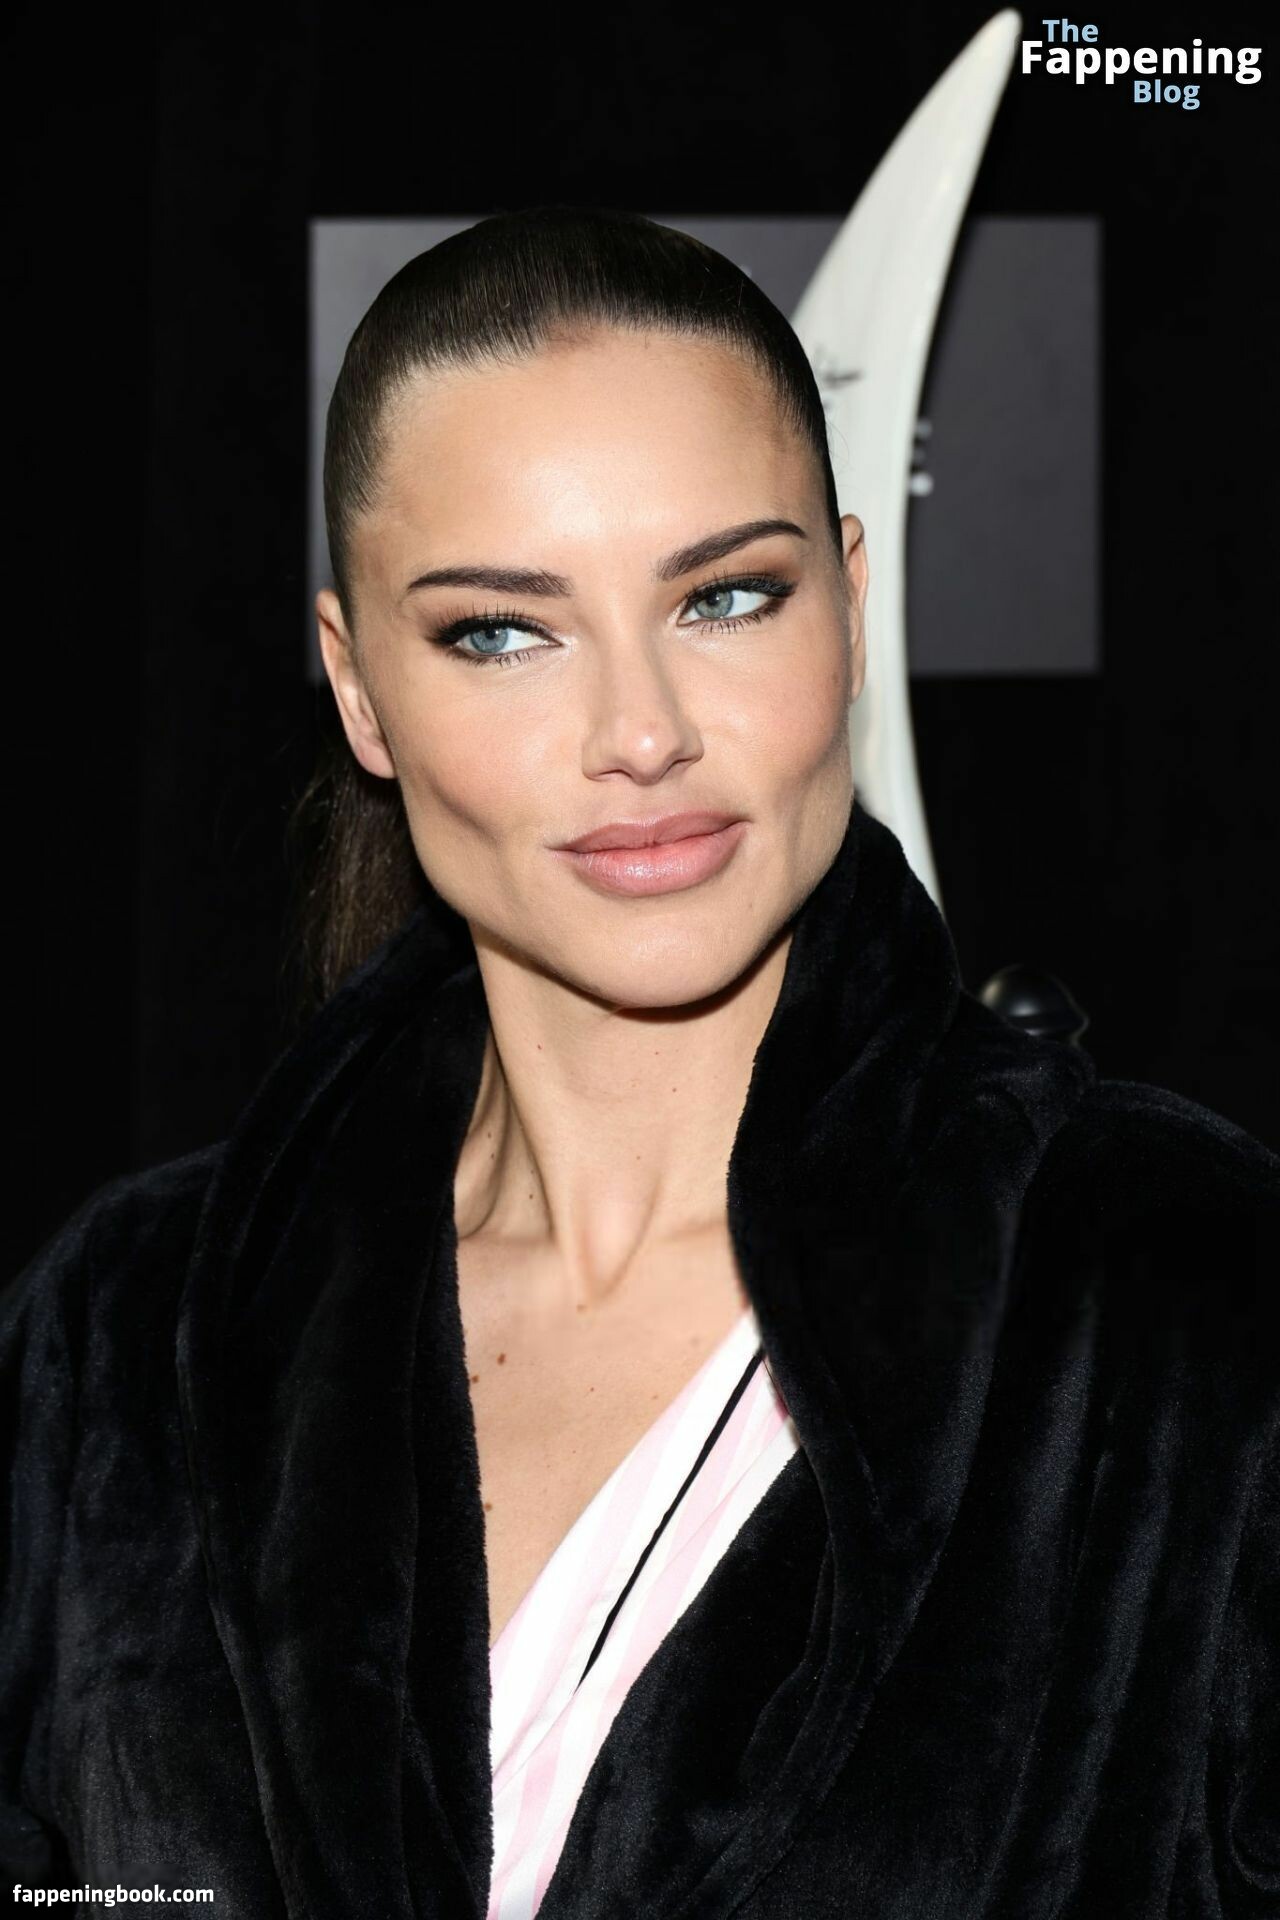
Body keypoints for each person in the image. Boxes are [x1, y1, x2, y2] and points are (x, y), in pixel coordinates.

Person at [2, 204, 1276, 1920]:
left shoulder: (1185, 1295)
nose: (641, 733)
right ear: (360, 690)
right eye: (501, 631)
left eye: (726, 597)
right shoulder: (124, 1338)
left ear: (851, 606)